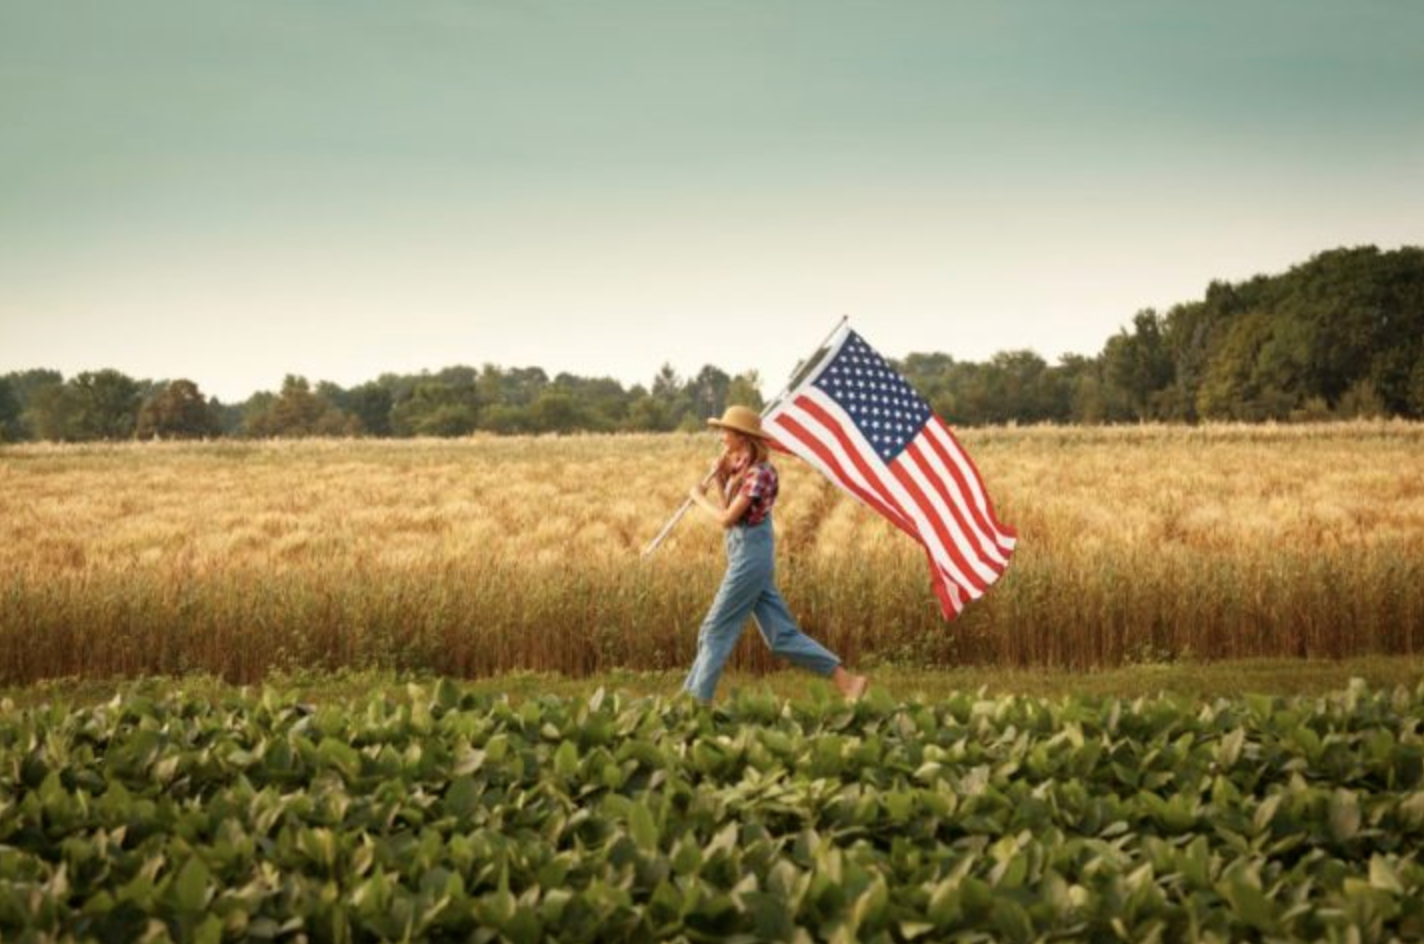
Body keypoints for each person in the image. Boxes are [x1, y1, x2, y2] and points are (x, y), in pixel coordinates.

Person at [682, 404, 870, 703]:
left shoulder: (762, 474)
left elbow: (725, 519)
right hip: (743, 553)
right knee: (780, 636)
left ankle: (693, 704)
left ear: (742, 437)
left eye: (726, 431)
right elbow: (731, 515)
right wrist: (720, 480)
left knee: (714, 629)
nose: (721, 437)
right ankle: (849, 683)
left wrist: (696, 498)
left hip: (750, 559)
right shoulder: (743, 470)